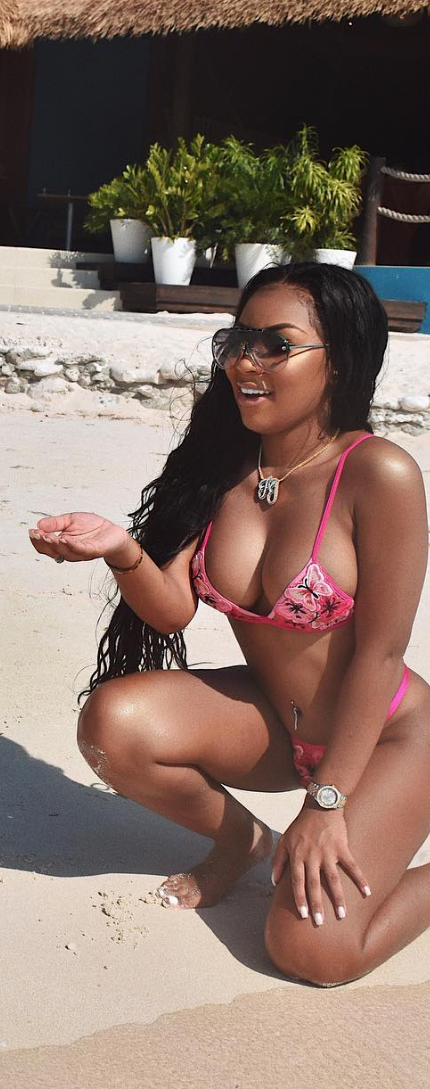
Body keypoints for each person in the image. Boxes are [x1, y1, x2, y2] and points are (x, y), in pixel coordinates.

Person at [29, 263, 430, 986]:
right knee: (114, 726)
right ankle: (242, 842)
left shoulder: (381, 475)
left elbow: (381, 654)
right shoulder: (225, 467)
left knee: (311, 953)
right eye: (238, 340)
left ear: (338, 360)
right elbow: (173, 606)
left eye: (275, 345)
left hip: (386, 740)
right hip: (281, 725)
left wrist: (328, 801)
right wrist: (120, 549)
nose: (244, 362)